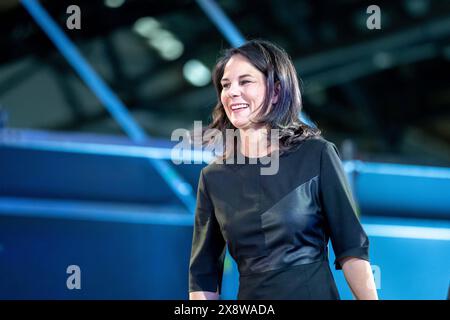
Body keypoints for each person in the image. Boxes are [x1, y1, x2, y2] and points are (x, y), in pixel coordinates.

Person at [188, 39, 378, 300]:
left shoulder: (317, 154)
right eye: (225, 85)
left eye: (245, 82)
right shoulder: (213, 178)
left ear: (276, 91)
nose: (232, 92)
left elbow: (352, 249)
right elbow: (203, 275)